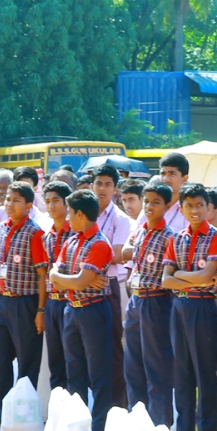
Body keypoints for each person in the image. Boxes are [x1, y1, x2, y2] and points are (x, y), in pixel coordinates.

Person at [161, 182, 217, 431]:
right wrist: (196, 276)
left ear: (209, 207)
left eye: (199, 205)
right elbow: (165, 280)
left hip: (203, 307)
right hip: (179, 307)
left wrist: (184, 276)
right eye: (188, 206)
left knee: (205, 378)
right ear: (181, 208)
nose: (194, 210)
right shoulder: (175, 239)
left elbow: (209, 276)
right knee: (183, 377)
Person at [52, 189, 117, 431]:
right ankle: (78, 422)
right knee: (75, 370)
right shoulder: (73, 240)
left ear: (80, 213)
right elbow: (58, 277)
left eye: (69, 212)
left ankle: (99, 427)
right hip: (74, 308)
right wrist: (69, 279)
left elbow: (72, 280)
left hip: (92, 309)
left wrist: (64, 278)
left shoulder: (99, 243)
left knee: (98, 370)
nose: (67, 217)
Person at [0, 182, 49, 429]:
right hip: (1, 300)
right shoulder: (0, 229)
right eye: (8, 199)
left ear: (29, 206)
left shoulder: (35, 233)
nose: (10, 204)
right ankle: (3, 409)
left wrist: (40, 310)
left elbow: (42, 274)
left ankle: (24, 414)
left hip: (25, 303)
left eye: (16, 200)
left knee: (26, 360)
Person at [122, 181, 176, 426]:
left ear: (167, 205)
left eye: (156, 202)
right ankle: (137, 420)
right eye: (147, 201)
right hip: (136, 299)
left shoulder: (170, 237)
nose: (150, 206)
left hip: (156, 302)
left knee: (156, 366)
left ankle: (159, 425)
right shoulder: (140, 231)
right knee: (133, 363)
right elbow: (127, 255)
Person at [91, 164, 133, 408]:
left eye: (108, 184)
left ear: (115, 189)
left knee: (115, 344)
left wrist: (89, 260)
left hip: (112, 286)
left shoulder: (121, 219)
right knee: (92, 346)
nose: (102, 189)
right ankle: (97, 401)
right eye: (99, 183)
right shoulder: (86, 213)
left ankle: (117, 402)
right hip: (87, 286)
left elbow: (118, 255)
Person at [41, 181, 74, 393]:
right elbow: (44, 274)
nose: (51, 206)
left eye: (56, 201)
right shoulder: (47, 236)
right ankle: (57, 411)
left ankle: (76, 412)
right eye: (48, 201)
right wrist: (41, 309)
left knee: (73, 359)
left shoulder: (75, 234)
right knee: (55, 360)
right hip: (52, 302)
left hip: (71, 302)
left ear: (67, 204)